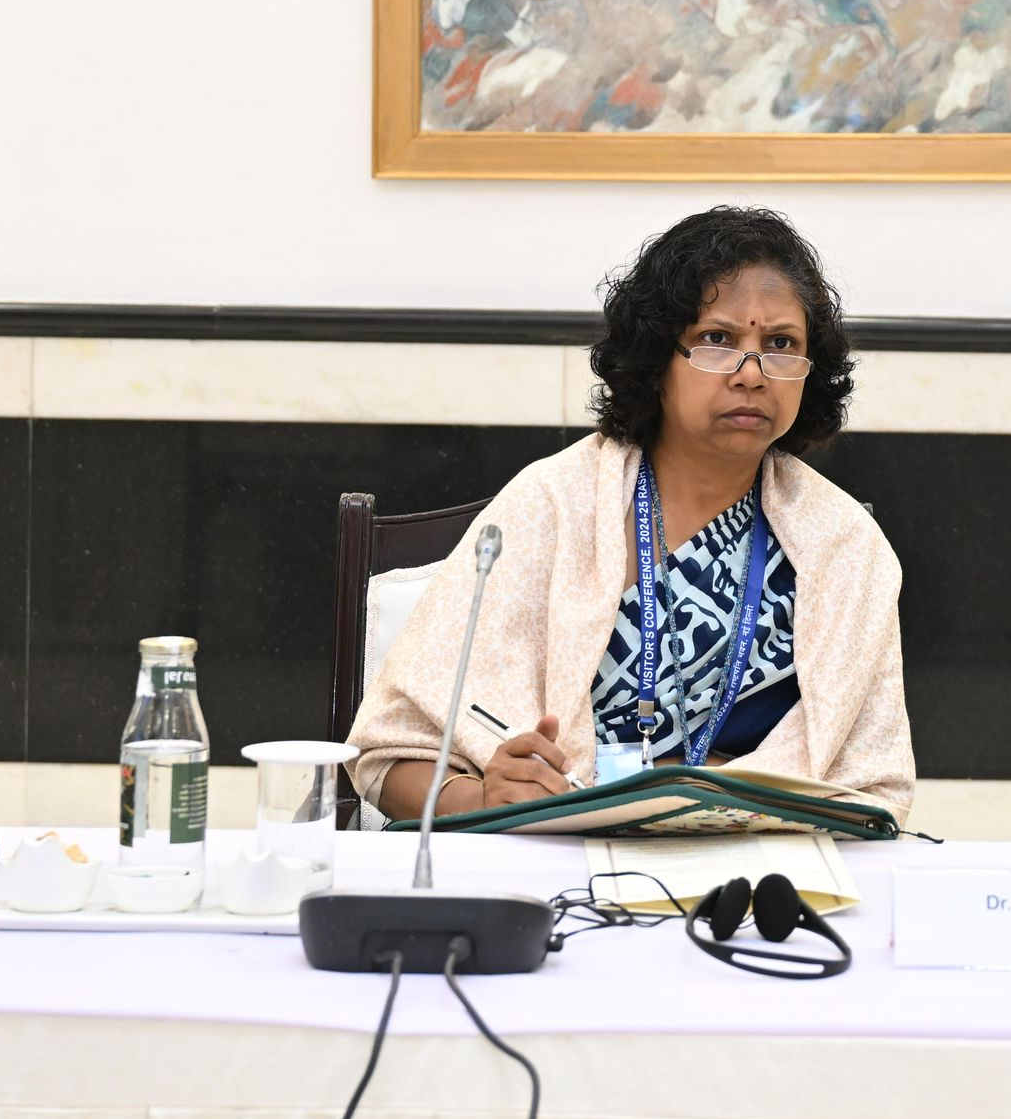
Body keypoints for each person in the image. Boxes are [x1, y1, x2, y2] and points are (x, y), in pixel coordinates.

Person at [349, 205, 914, 822]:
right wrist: (484, 799)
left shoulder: (844, 547)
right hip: (554, 851)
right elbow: (390, 756)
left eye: (781, 345)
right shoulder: (552, 506)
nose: (752, 374)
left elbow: (872, 793)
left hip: (759, 859)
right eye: (717, 340)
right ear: (656, 359)